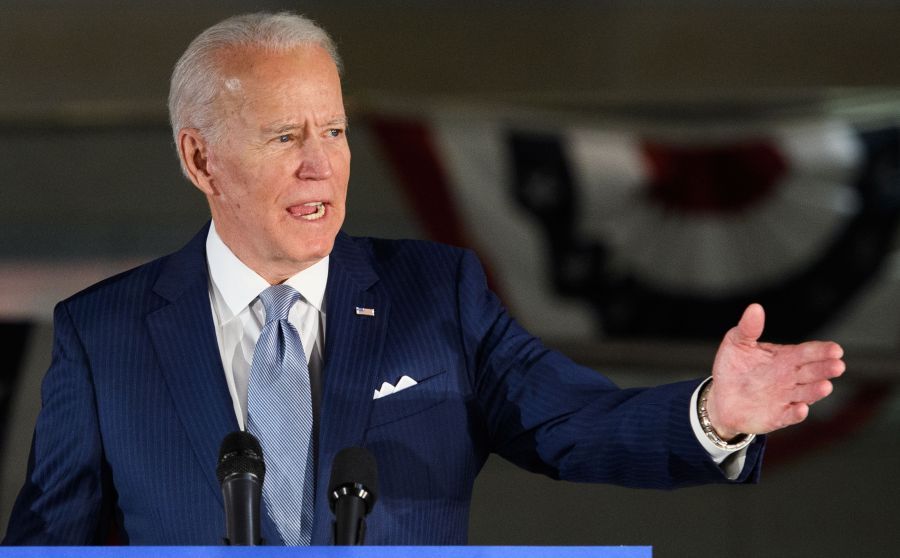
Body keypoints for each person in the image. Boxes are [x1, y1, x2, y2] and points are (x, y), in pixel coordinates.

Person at [2, 12, 845, 546]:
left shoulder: (435, 293)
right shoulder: (102, 333)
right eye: (285, 136)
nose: (321, 166)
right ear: (200, 158)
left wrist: (714, 413)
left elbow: (574, 421)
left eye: (333, 130)